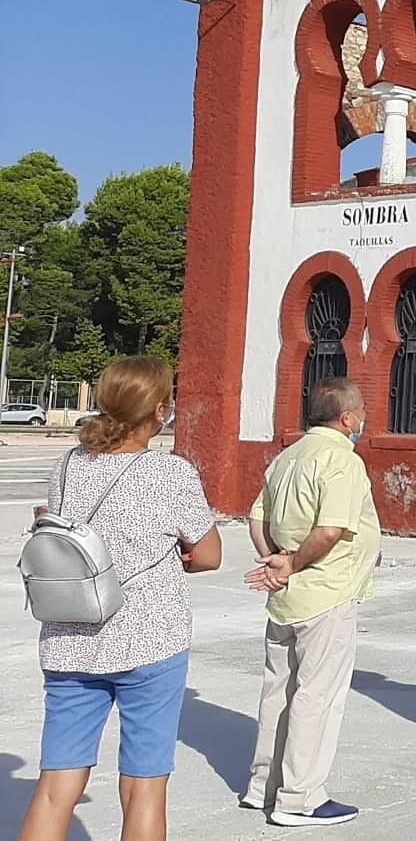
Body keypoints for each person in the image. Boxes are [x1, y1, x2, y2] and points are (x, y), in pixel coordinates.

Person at [20, 357, 220, 841]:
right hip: (149, 640)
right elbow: (209, 553)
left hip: (70, 637)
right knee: (144, 787)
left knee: (55, 787)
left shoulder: (68, 464)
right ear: (158, 410)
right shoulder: (170, 472)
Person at [240, 377, 381, 827]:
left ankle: (263, 785)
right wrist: (294, 563)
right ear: (346, 418)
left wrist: (272, 560)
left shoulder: (288, 456)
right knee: (318, 697)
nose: (363, 420)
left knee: (277, 691)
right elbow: (330, 529)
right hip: (326, 591)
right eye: (360, 412)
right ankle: (300, 798)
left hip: (285, 597)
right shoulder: (342, 460)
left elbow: (257, 515)